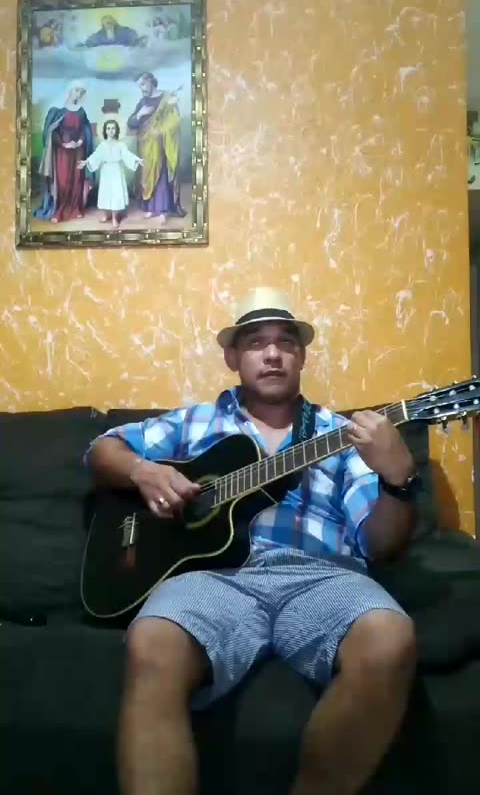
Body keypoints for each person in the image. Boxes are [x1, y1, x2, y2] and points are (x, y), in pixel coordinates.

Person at [87, 286, 419, 795]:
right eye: (256, 342)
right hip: (212, 577)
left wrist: (397, 481)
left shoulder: (345, 434)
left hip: (321, 575)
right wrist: (143, 471)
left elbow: (380, 545)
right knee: (153, 643)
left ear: (301, 357)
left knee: (390, 639)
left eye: (286, 342)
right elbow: (102, 450)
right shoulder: (197, 421)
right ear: (232, 358)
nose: (272, 354)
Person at [127, 71, 186, 223]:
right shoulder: (143, 102)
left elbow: (174, 121)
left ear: (151, 81)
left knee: (162, 176)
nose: (142, 88)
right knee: (147, 175)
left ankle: (163, 210)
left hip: (163, 145)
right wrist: (139, 115)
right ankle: (151, 208)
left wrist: (159, 131)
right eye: (139, 86)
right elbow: (131, 123)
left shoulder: (167, 98)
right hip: (146, 146)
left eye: (143, 84)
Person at [34, 81, 93, 223]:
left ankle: (75, 209)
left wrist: (80, 141)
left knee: (76, 181)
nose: (78, 94)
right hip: (61, 153)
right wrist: (64, 144)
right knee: (62, 182)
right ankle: (58, 210)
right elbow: (51, 132)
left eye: (81, 92)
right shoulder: (57, 111)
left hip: (77, 152)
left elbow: (85, 131)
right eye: (76, 90)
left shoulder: (81, 112)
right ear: (70, 91)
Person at [78, 120, 143, 228]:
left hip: (117, 171)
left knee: (116, 193)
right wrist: (86, 162)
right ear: (105, 130)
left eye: (113, 128)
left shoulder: (120, 144)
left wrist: (137, 159)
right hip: (106, 172)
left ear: (116, 130)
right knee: (106, 193)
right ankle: (107, 214)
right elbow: (96, 156)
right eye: (108, 128)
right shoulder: (102, 145)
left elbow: (127, 155)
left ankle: (114, 218)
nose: (111, 131)